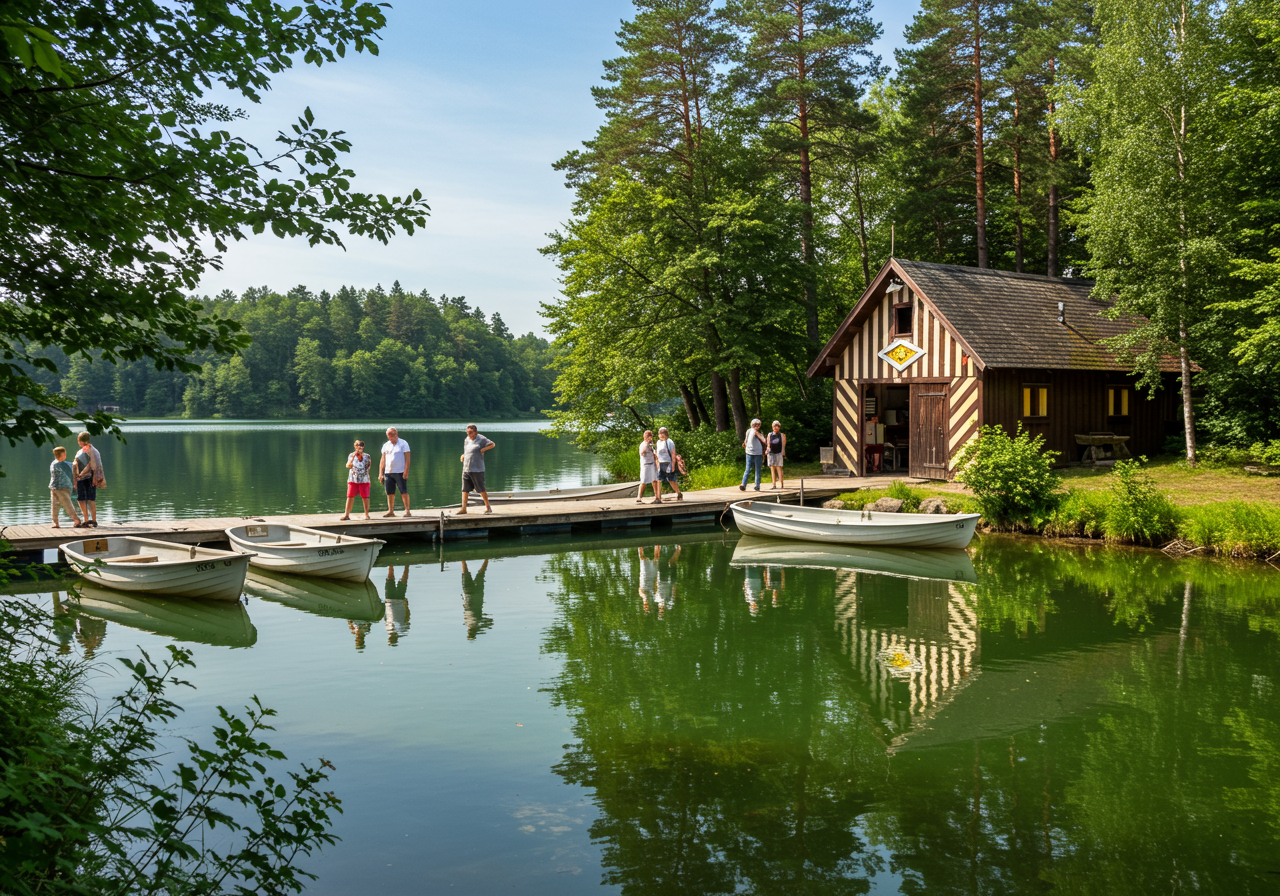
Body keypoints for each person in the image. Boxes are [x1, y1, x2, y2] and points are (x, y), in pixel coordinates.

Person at [458, 424, 496, 515]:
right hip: (466, 468)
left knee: (481, 489)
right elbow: (467, 449)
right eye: (467, 432)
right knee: (465, 489)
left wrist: (483, 450)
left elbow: (492, 444)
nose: (468, 434)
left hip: (477, 469)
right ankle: (463, 509)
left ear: (475, 432)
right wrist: (464, 455)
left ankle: (488, 508)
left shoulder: (481, 439)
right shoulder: (467, 439)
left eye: (470, 432)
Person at [378, 427, 411, 518]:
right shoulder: (386, 445)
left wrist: (406, 471)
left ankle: (407, 511)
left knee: (403, 491)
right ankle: (391, 511)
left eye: (392, 435)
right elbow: (383, 459)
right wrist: (381, 473)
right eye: (389, 436)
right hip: (388, 472)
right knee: (390, 492)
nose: (390, 438)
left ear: (396, 434)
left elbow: (407, 458)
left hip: (400, 471)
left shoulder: (403, 443)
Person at [49, 446, 82, 528]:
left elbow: (71, 473)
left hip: (60, 487)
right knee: (59, 505)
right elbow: (70, 475)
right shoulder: (58, 464)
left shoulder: (59, 464)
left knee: (62, 505)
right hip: (58, 488)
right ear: (59, 455)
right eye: (64, 454)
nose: (65, 455)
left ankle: (75, 520)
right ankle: (57, 522)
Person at [72, 432, 101, 527]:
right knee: (86, 499)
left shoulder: (90, 451)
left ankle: (90, 520)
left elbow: (95, 465)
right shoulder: (90, 450)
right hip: (85, 477)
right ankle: (90, 520)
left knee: (86, 499)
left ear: (79, 441)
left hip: (87, 477)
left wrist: (94, 478)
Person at [461, 559, 494, 640]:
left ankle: (487, 558)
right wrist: (479, 629)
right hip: (469, 593)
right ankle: (462, 559)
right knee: (465, 572)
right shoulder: (469, 622)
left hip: (477, 594)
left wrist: (480, 630)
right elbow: (490, 622)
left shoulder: (475, 622)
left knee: (481, 574)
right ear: (469, 631)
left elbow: (490, 622)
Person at [341, 440, 372, 520]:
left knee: (365, 497)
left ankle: (366, 515)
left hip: (364, 479)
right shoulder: (351, 455)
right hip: (353, 479)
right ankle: (346, 514)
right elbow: (348, 466)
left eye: (361, 445)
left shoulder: (367, 456)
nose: (360, 447)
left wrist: (360, 457)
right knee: (350, 496)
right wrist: (354, 457)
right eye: (358, 445)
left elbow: (367, 467)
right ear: (355, 446)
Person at [654, 426, 683, 502]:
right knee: (658, 480)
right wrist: (657, 464)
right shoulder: (658, 442)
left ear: (665, 433)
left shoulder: (670, 442)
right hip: (661, 464)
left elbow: (673, 454)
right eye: (659, 433)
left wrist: (673, 466)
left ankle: (678, 493)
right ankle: (658, 498)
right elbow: (658, 454)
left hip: (668, 464)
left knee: (671, 480)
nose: (659, 435)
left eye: (661, 433)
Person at [739, 418, 768, 491]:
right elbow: (746, 441)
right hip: (751, 453)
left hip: (756, 453)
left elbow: (764, 441)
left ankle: (756, 486)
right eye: (755, 424)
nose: (756, 425)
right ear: (752, 424)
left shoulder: (753, 432)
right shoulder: (750, 431)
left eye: (758, 424)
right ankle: (744, 484)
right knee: (750, 469)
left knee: (754, 469)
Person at [636, 430, 662, 504]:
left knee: (655, 481)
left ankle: (657, 497)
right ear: (644, 436)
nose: (649, 437)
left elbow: (655, 454)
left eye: (650, 435)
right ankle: (639, 497)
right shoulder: (643, 444)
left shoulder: (652, 445)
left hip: (652, 464)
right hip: (645, 465)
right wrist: (647, 444)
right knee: (643, 481)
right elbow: (642, 453)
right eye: (648, 436)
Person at [766, 420, 787, 489]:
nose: (776, 427)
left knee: (779, 468)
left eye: (777, 426)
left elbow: (783, 445)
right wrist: (767, 450)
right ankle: (774, 485)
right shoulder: (770, 434)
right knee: (772, 469)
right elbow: (768, 444)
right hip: (771, 453)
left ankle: (782, 485)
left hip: (778, 453)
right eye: (774, 426)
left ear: (779, 427)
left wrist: (783, 453)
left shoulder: (782, 435)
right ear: (772, 427)